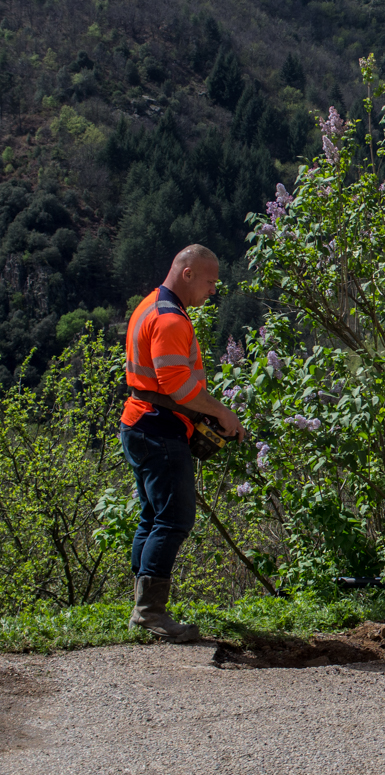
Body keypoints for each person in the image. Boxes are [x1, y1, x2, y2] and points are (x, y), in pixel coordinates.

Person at [120, 245, 245, 641]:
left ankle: (142, 607)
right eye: (210, 282)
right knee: (174, 519)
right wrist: (221, 412)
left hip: (139, 423)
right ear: (187, 273)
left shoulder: (149, 305)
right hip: (160, 430)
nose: (213, 290)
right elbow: (178, 387)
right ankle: (149, 614)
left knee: (151, 517)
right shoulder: (171, 319)